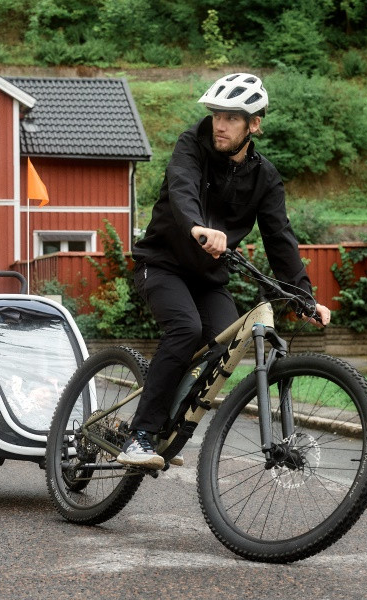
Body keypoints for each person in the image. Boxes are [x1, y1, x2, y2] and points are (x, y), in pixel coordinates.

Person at [117, 72, 332, 469]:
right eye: (217, 114)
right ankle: (141, 433)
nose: (220, 124)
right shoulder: (191, 145)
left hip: (209, 277)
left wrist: (304, 298)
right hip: (161, 264)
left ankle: (167, 428)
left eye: (232, 117)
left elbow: (280, 238)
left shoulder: (264, 177)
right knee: (185, 329)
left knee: (223, 344)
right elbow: (181, 186)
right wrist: (197, 227)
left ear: (254, 124)